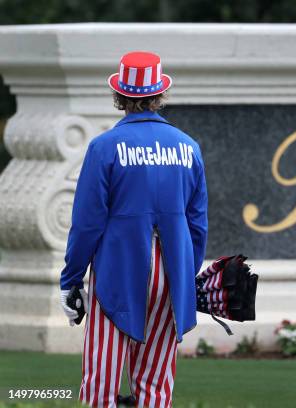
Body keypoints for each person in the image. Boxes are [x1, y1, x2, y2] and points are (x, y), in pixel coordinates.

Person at [59, 51, 208, 407]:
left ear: (120, 96)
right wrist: (188, 275)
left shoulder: (103, 147)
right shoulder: (189, 148)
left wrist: (70, 280)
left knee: (102, 384)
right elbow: (197, 225)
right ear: (160, 94)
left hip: (119, 269)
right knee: (156, 386)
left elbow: (86, 223)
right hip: (171, 272)